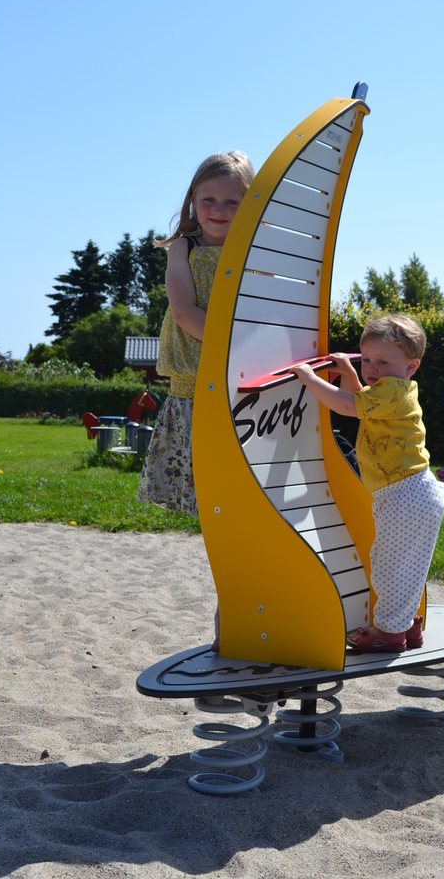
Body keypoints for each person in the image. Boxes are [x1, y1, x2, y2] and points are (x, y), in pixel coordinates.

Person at [137, 151, 255, 649]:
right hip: (197, 391)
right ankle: (232, 624)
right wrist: (238, 346)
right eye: (209, 199)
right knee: (220, 515)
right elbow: (185, 312)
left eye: (232, 201)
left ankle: (247, 618)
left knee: (247, 511)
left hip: (246, 390)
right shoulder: (182, 249)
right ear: (192, 200)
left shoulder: (254, 250)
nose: (219, 210)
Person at [290, 315, 444, 654]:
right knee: (408, 566)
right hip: (416, 492)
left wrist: (309, 379)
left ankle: (388, 634)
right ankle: (406, 624)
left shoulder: (391, 391)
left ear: (411, 366)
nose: (372, 368)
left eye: (383, 362)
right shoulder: (393, 390)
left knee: (389, 567)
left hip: (404, 495)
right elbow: (361, 399)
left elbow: (348, 406)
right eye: (367, 360)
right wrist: (348, 372)